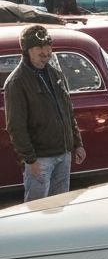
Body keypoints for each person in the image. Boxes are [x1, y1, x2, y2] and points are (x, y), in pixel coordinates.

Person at [3, 24, 86, 201]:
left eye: (48, 47)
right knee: (36, 211)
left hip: (63, 155)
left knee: (60, 205)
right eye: (39, 47)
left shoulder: (56, 74)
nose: (46, 52)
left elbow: (68, 112)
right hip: (40, 160)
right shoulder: (16, 83)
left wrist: (77, 143)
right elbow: (16, 127)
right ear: (27, 50)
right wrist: (30, 160)